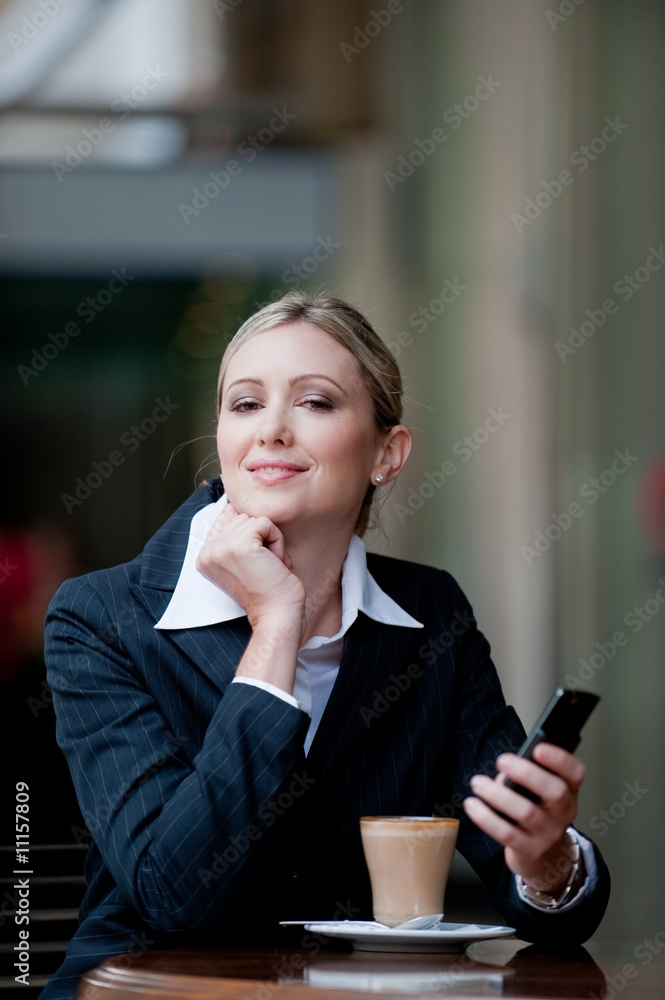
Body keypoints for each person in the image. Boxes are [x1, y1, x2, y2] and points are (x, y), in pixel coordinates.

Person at [44, 291, 610, 999]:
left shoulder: (430, 615)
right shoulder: (101, 618)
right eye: (246, 404)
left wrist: (547, 858)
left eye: (314, 402)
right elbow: (173, 896)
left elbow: (530, 880)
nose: (271, 430)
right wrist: (277, 626)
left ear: (386, 454)